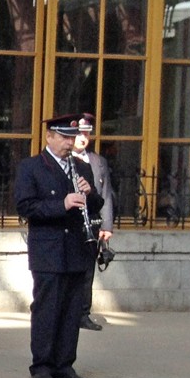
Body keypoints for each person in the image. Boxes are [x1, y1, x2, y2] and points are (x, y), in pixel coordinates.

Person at [15, 113, 103, 378]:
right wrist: (61, 204)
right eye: (63, 137)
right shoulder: (32, 167)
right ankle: (41, 365)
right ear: (49, 137)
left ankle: (65, 364)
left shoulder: (81, 167)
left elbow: (96, 206)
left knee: (71, 309)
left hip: (77, 248)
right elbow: (25, 206)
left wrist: (91, 195)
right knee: (47, 308)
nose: (69, 143)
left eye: (71, 138)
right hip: (48, 249)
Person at [73, 112, 114, 331]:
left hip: (92, 223)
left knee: (88, 271)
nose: (83, 137)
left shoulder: (98, 161)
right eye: (79, 132)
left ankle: (83, 313)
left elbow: (105, 194)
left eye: (87, 132)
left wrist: (106, 226)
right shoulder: (66, 159)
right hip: (70, 224)